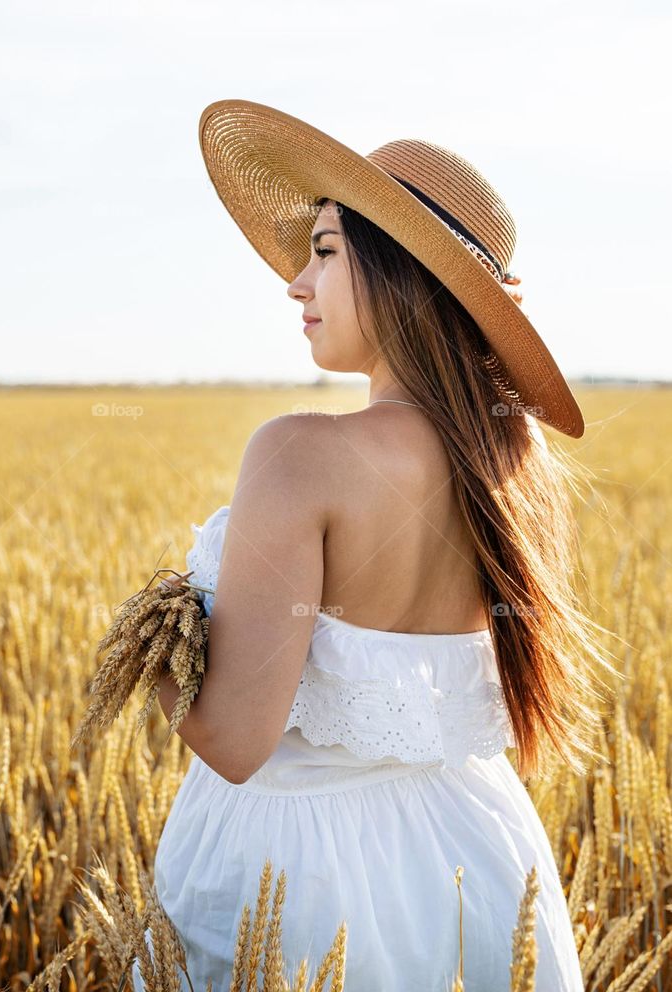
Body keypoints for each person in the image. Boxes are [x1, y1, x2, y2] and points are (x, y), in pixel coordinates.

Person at [133, 101, 616, 991]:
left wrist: (150, 645)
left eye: (321, 251)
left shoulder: (299, 453)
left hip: (298, 883)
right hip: (478, 863)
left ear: (403, 274)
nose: (295, 283)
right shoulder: (515, 466)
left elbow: (236, 740)